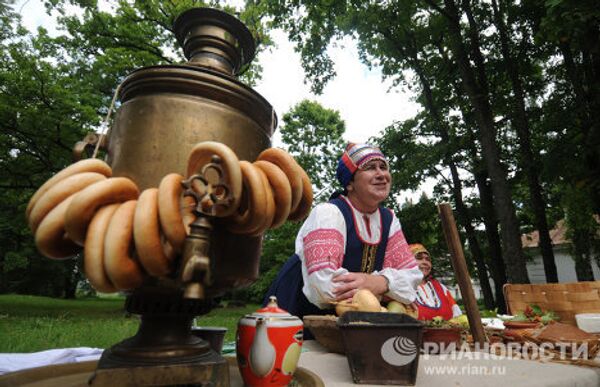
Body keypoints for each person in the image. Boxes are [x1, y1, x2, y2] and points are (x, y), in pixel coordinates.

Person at [265, 143, 423, 321]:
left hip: (349, 326)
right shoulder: (328, 213)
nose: (381, 175)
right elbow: (325, 286)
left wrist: (380, 282)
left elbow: (412, 278)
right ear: (349, 183)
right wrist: (387, 291)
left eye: (384, 167)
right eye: (370, 168)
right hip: (296, 314)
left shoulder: (389, 220)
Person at [410, 243, 462, 320]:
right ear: (408, 261)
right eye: (419, 258)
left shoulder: (441, 288)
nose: (425, 262)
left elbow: (457, 318)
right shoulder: (400, 288)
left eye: (428, 259)